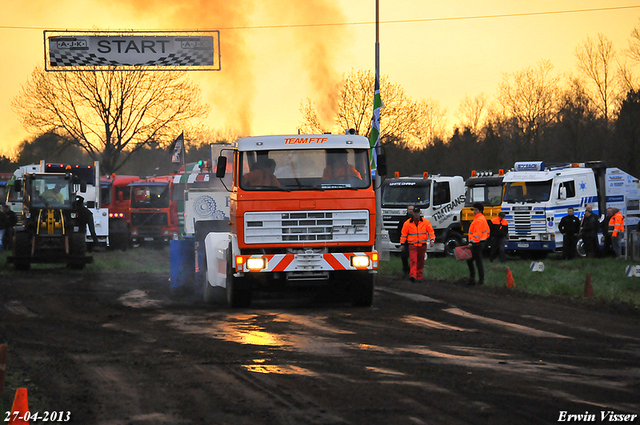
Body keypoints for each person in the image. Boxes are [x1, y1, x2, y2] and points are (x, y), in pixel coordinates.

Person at [400, 206, 435, 282]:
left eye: (417, 213)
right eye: (415, 213)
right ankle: (413, 275)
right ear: (413, 213)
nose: (416, 215)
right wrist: (402, 244)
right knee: (413, 260)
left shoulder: (425, 222)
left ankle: (419, 276)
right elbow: (403, 234)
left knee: (421, 261)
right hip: (412, 245)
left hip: (422, 245)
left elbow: (431, 231)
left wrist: (432, 240)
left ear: (420, 213)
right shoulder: (407, 223)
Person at [466, 202, 490, 286]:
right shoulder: (481, 218)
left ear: (480, 210)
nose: (474, 211)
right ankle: (477, 279)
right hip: (480, 243)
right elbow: (487, 232)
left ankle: (478, 280)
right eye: (474, 210)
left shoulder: (479, 220)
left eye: (476, 210)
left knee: (475, 261)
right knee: (474, 261)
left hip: (477, 244)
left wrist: (471, 243)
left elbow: (477, 234)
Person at [396, 205, 414, 277]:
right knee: (404, 256)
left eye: (412, 209)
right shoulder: (403, 220)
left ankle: (412, 272)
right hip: (406, 242)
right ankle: (405, 271)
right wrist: (401, 243)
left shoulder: (417, 219)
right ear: (407, 210)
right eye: (409, 209)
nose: (411, 211)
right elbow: (399, 231)